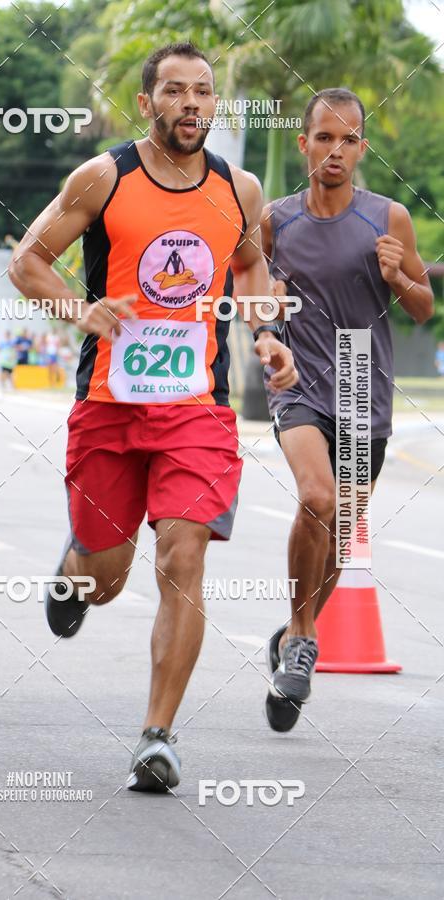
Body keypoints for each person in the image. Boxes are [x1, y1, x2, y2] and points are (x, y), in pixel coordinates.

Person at [10, 42, 298, 792]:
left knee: (184, 556)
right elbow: (27, 261)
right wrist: (83, 311)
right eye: (175, 91)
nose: (192, 104)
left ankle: (156, 736)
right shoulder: (104, 177)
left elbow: (248, 263)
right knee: (105, 579)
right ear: (148, 104)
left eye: (203, 91)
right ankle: (75, 570)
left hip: (196, 408)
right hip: (108, 405)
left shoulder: (240, 186)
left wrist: (266, 334)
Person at [259, 88, 434, 731]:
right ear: (303, 143)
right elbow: (258, 304)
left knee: (341, 535)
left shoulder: (388, 218)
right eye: (324, 138)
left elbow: (423, 309)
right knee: (317, 499)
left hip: (364, 387)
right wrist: (266, 332)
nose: (336, 150)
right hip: (300, 384)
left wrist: (402, 278)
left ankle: (288, 638)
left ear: (362, 147)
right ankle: (303, 636)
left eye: (349, 139)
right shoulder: (275, 220)